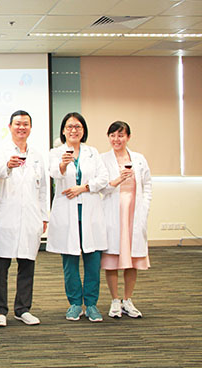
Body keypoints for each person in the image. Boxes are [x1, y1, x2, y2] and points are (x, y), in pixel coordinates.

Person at [47, 112, 109, 322]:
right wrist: (63, 164)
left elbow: (103, 178)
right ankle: (74, 304)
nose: (73, 130)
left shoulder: (93, 152)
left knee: (93, 260)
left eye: (78, 127)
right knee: (70, 261)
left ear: (83, 130)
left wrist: (83, 188)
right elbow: (54, 173)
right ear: (63, 131)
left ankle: (91, 304)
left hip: (90, 213)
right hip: (67, 213)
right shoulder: (56, 153)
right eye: (69, 127)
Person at [0, 110, 48, 328]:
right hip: (7, 215)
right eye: (17, 124)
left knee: (27, 264)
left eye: (25, 124)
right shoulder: (0, 151)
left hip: (31, 216)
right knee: (1, 265)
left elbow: (43, 189)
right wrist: (8, 166)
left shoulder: (37, 156)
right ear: (10, 127)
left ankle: (23, 309)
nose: (21, 127)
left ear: (30, 128)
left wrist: (44, 216)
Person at [100, 121, 152, 318]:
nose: (117, 139)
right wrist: (118, 180)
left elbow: (147, 185)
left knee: (132, 258)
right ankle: (115, 300)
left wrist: (144, 208)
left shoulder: (139, 159)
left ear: (128, 137)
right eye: (113, 135)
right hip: (113, 211)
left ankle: (127, 300)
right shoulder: (103, 159)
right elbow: (101, 188)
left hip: (134, 211)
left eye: (121, 135)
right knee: (112, 258)